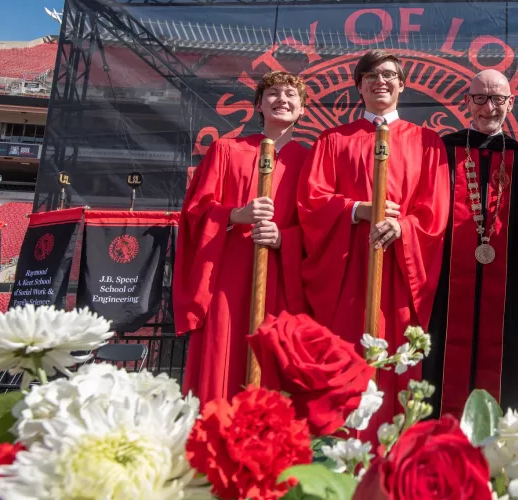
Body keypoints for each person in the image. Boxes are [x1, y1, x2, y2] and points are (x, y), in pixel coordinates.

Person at [298, 50, 449, 435]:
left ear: (402, 84)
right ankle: (341, 456)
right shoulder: (332, 141)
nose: (380, 81)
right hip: (348, 274)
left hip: (400, 275)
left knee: (398, 361)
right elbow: (312, 200)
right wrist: (355, 209)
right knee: (347, 359)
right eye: (370, 75)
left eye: (388, 75)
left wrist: (405, 229)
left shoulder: (428, 143)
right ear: (358, 86)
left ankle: (397, 457)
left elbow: (435, 209)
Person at [174, 70, 309, 402]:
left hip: (282, 277)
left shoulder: (310, 160)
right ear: (259, 105)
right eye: (274, 94)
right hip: (229, 277)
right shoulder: (227, 150)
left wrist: (284, 238)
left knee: (276, 361)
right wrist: (235, 214)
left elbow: (319, 225)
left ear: (302, 109)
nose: (283, 100)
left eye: (292, 95)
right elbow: (195, 213)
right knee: (224, 352)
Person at [425, 70, 518, 417]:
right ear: (467, 102)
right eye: (481, 98)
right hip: (449, 280)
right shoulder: (443, 150)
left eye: (498, 99)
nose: (489, 107)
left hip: (507, 282)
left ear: (510, 104)